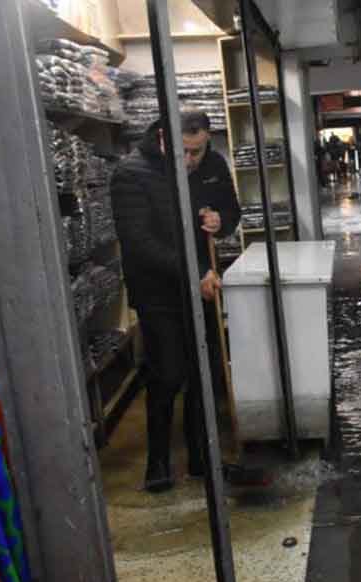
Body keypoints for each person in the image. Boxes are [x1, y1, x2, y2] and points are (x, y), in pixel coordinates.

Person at [111, 111, 240, 492]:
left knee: (204, 372)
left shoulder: (212, 164)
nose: (191, 161)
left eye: (198, 151)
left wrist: (221, 221)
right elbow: (140, 242)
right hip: (158, 290)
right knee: (168, 373)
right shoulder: (131, 173)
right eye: (184, 151)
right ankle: (158, 462)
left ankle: (201, 457)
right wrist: (194, 272)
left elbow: (232, 210)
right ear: (164, 138)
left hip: (202, 283)